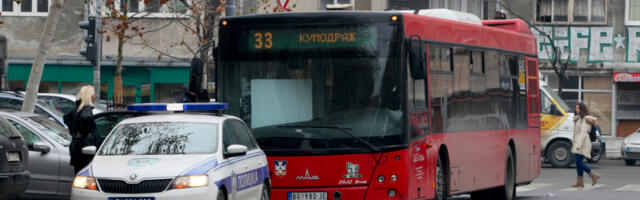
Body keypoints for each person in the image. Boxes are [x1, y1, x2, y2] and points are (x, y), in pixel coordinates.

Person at [65, 86, 99, 174]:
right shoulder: (86, 108)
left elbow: (66, 117)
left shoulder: (77, 108)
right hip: (86, 149)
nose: (95, 97)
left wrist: (74, 131)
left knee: (78, 174)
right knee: (85, 176)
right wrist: (86, 132)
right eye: (94, 94)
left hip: (76, 148)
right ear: (90, 96)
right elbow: (85, 118)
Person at [571, 102, 600, 188]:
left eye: (578, 108)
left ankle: (593, 175)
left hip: (583, 143)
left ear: (582, 109)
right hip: (578, 142)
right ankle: (580, 182)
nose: (576, 110)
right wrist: (574, 142)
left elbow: (583, 133)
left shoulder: (586, 119)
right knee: (578, 162)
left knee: (578, 161)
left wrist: (578, 145)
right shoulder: (578, 118)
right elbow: (576, 132)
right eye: (576, 108)